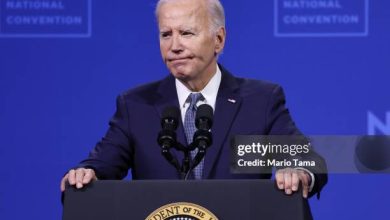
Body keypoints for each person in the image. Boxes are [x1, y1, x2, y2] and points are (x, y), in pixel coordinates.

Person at [61, 0, 327, 198]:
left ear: (219, 40)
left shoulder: (260, 102)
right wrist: (86, 173)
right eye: (166, 34)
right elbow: (101, 165)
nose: (174, 46)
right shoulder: (136, 105)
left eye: (187, 33)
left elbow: (309, 161)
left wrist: (299, 172)